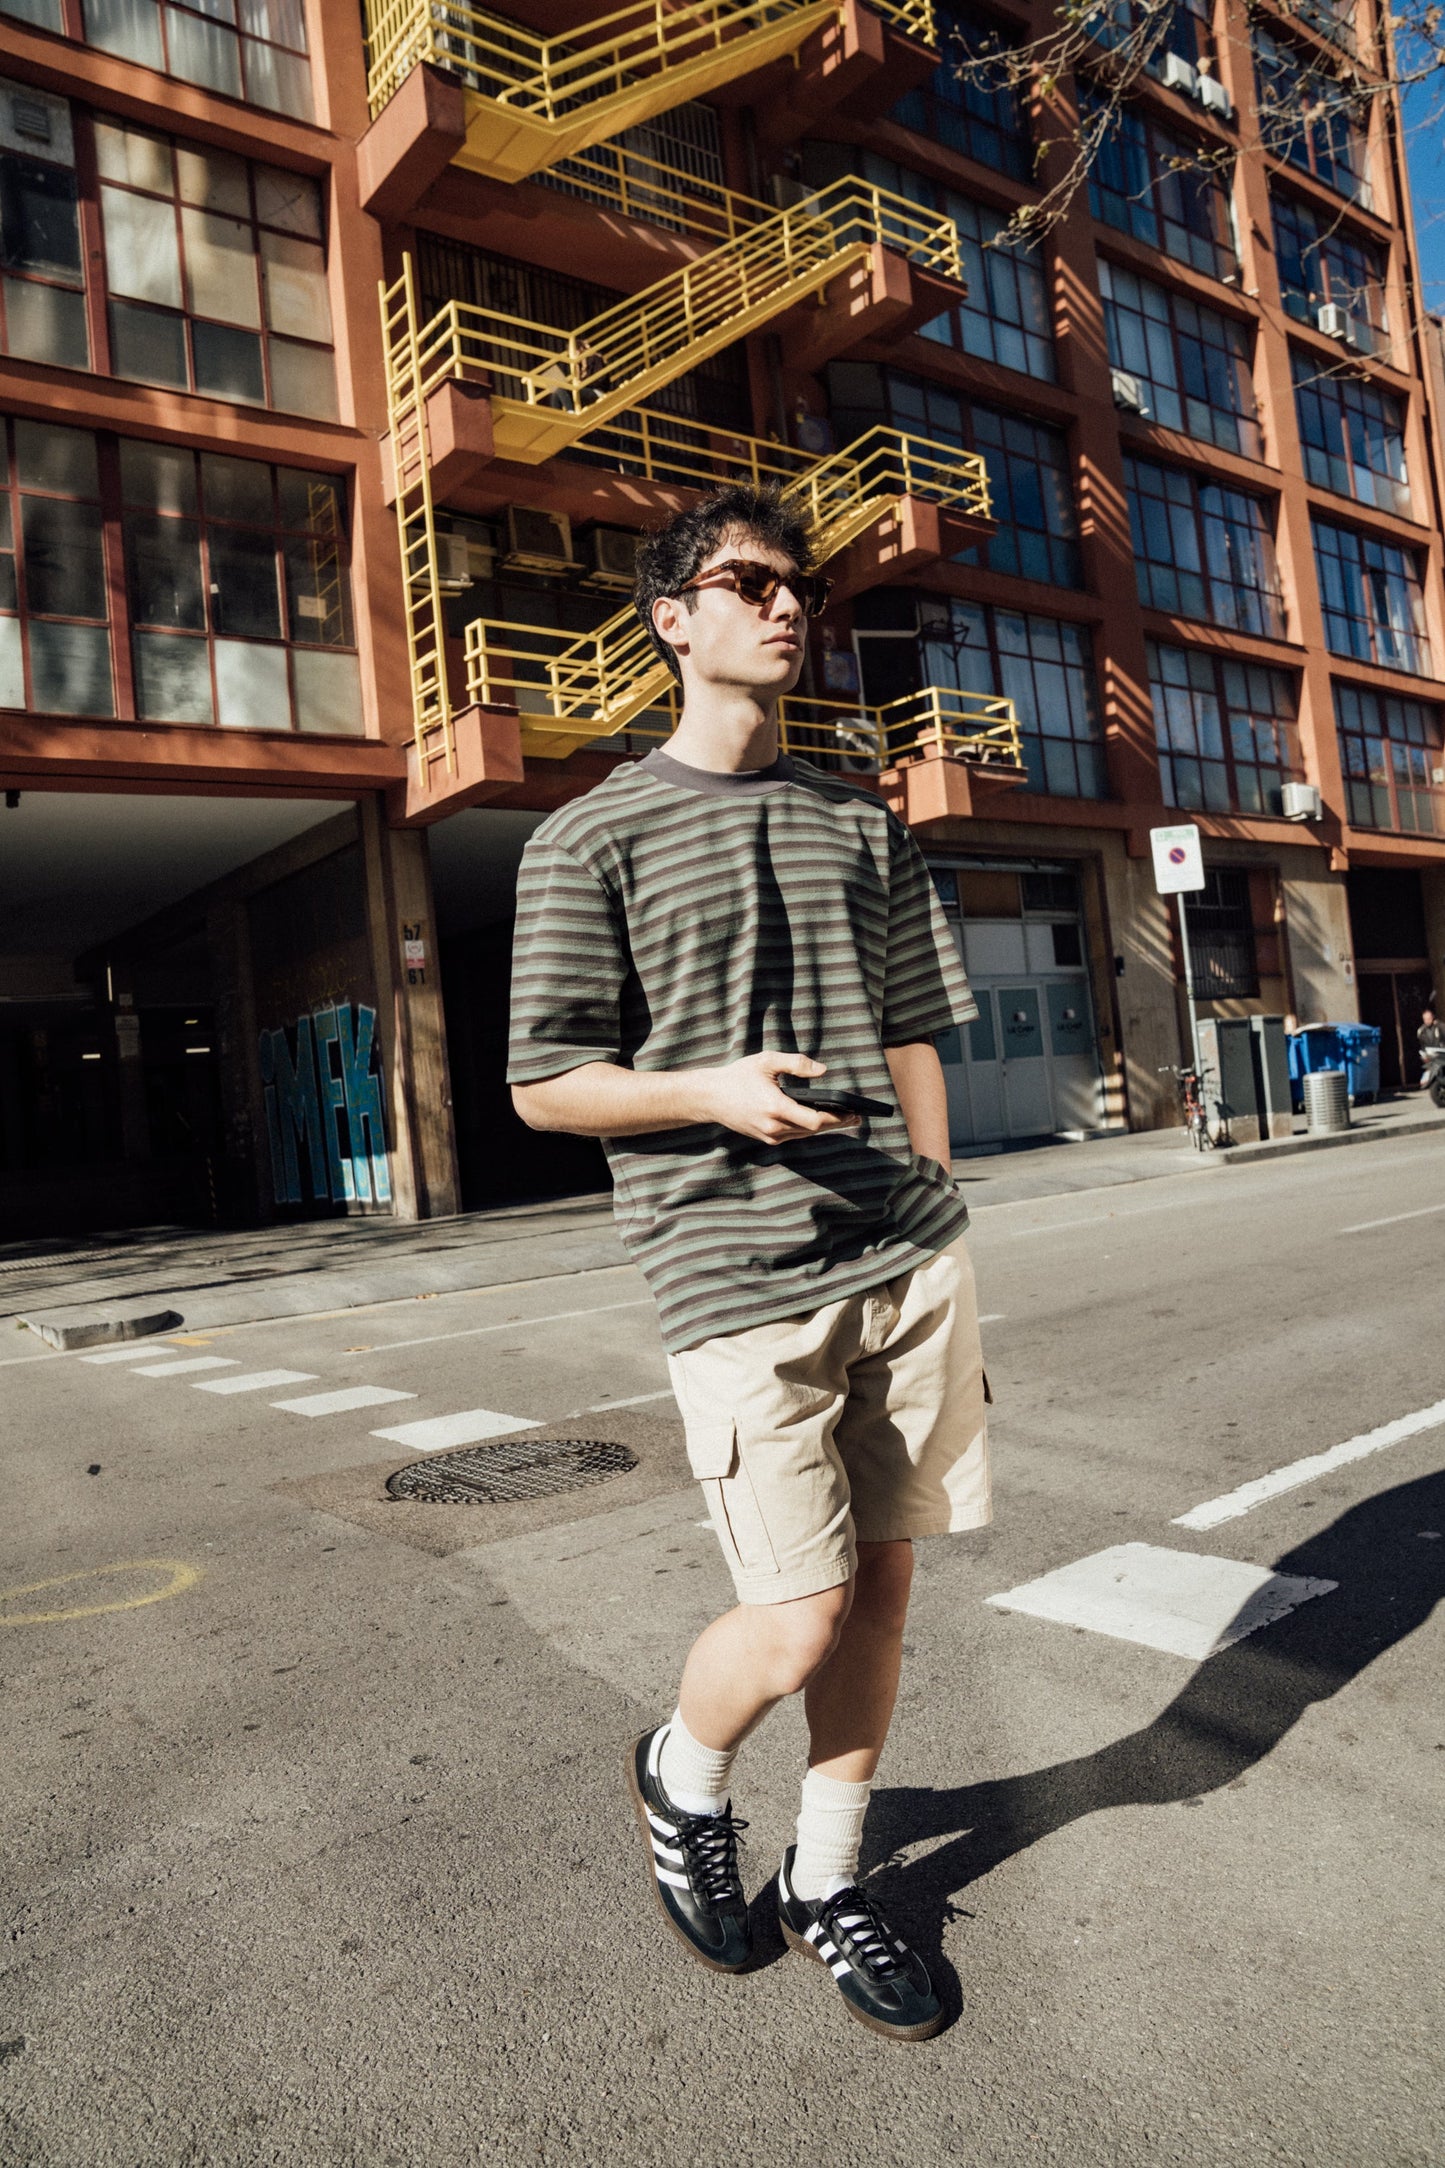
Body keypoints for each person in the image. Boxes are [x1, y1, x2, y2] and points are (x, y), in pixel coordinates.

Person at [507, 484, 989, 2043]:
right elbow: (543, 1082)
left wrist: (934, 1199)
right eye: (750, 582)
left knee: (891, 1595)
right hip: (733, 1276)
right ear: (673, 619)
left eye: (802, 591)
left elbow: (915, 1021)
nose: (787, 607)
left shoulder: (861, 819)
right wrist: (707, 1091)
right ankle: (685, 1772)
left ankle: (831, 1878)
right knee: (799, 1620)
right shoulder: (588, 838)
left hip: (904, 1267)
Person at [1418, 1007, 1444, 1085]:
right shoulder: (1421, 1031)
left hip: (1441, 1054)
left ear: (1433, 1017)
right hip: (1430, 1056)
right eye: (1425, 1019)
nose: (1427, 1021)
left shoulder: (1440, 1027)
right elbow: (1422, 1046)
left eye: (1429, 1018)